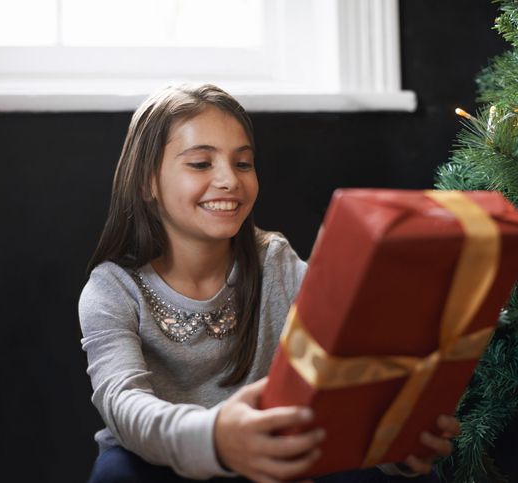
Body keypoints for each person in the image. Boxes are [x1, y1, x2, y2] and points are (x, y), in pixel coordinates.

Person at [79, 83, 460, 483]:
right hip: (165, 464)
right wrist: (218, 439)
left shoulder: (276, 262)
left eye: (243, 163)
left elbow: (349, 366)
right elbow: (123, 405)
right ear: (147, 183)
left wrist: (392, 441)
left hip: (271, 459)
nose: (229, 179)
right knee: (117, 473)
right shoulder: (112, 290)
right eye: (201, 164)